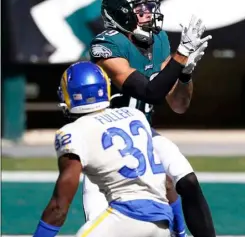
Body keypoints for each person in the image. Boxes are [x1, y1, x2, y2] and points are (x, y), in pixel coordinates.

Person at [84, 0, 214, 237]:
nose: (149, 14)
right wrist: (181, 56)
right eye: (141, 8)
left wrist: (185, 74)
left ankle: (183, 232)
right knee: (100, 223)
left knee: (186, 180)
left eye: (150, 7)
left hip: (143, 133)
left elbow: (178, 105)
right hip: (104, 141)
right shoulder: (106, 44)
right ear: (121, 12)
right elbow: (148, 92)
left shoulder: (160, 41)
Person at [32, 62, 215, 237]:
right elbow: (167, 183)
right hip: (162, 221)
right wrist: (179, 231)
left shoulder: (72, 132)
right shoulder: (135, 116)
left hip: (126, 217)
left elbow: (59, 207)